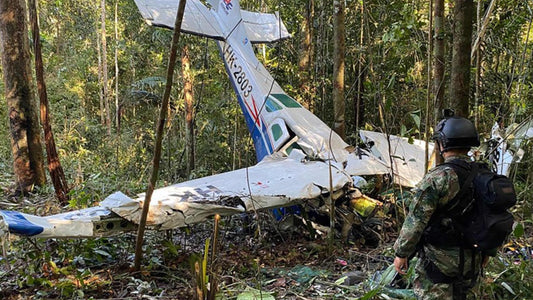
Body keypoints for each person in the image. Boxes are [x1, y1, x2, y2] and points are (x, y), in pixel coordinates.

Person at [393, 113, 490, 300]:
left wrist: (401, 253)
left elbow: (416, 221)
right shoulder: (484, 174)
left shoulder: (439, 178)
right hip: (473, 260)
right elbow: (493, 215)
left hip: (438, 264)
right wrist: (488, 251)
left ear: (442, 144)